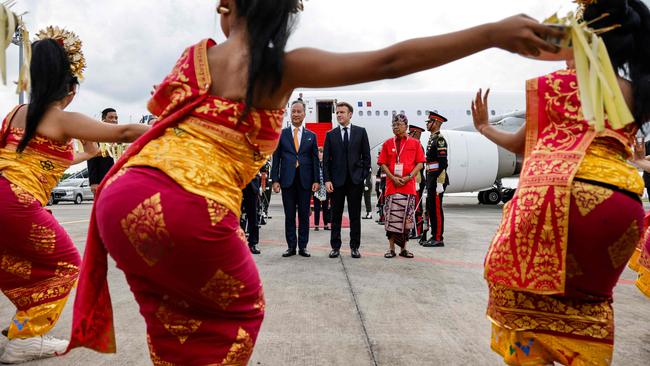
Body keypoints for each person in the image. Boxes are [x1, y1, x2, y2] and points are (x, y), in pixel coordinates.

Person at [66, 0, 562, 363]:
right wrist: (492, 32)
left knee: (173, 317)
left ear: (224, 9)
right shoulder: (276, 66)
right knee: (238, 315)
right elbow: (390, 61)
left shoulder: (196, 60)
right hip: (187, 202)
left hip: (122, 194)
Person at [473, 1, 650, 364]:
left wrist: (484, 127)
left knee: (516, 295)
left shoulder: (555, 85)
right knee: (591, 305)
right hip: (620, 202)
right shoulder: (636, 91)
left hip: (556, 194)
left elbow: (521, 143)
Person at [0, 28, 147, 364]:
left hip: (4, 197)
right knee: (66, 264)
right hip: (16, 203)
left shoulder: (14, 116)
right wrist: (174, 128)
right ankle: (26, 337)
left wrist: (89, 148)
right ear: (69, 85)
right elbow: (123, 132)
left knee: (26, 265)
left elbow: (69, 155)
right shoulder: (62, 118)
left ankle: (19, 330)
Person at [271, 99, 320, 258]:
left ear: (304, 114)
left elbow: (314, 161)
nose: (296, 114)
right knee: (289, 215)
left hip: (305, 181)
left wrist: (316, 181)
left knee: (304, 215)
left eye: (299, 111)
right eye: (294, 111)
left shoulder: (311, 136)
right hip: (287, 180)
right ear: (289, 114)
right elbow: (276, 159)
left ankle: (303, 246)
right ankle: (291, 246)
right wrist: (275, 180)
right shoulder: (282, 134)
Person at [323, 102, 371, 259]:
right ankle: (335, 247)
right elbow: (326, 162)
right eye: (337, 113)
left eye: (342, 112)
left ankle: (354, 247)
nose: (339, 115)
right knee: (335, 216)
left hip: (355, 182)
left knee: (355, 216)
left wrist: (361, 176)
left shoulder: (361, 132)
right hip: (336, 182)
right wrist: (327, 180)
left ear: (350, 114)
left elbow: (367, 158)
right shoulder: (331, 135)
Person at [378, 114, 425, 258]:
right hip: (392, 187)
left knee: (407, 220)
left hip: (408, 186)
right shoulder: (387, 144)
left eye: (398, 125)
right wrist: (392, 177)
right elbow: (383, 164)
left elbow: (420, 163)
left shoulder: (415, 143)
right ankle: (391, 248)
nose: (395, 127)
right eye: (393, 125)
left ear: (406, 126)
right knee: (391, 220)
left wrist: (409, 177)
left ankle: (404, 248)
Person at [422, 111, 449, 248]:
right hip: (431, 178)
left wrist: (438, 182)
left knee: (437, 209)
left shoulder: (439, 140)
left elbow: (443, 163)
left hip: (437, 179)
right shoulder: (432, 139)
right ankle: (434, 235)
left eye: (430, 121)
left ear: (436, 123)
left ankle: (438, 237)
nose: (427, 124)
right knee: (432, 208)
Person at [87, 108, 117, 194]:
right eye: (111, 117)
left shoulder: (120, 137)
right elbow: (91, 159)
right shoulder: (97, 137)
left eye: (116, 118)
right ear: (103, 120)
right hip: (102, 181)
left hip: (118, 179)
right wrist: (93, 182)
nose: (114, 120)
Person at [408, 123, 427, 240]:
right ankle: (414, 229)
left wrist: (417, 181)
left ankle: (418, 231)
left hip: (417, 180)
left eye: (411, 134)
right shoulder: (413, 145)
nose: (409, 136)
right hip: (413, 179)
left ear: (415, 134)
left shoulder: (418, 146)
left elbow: (419, 165)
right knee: (412, 207)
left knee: (417, 208)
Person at [242, 175, 261, 254]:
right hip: (235, 181)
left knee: (253, 216)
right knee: (234, 216)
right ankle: (236, 243)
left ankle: (253, 243)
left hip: (252, 183)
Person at [313, 147, 330, 231]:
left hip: (325, 187)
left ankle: (326, 224)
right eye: (319, 153)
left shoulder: (326, 164)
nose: (320, 154)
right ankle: (316, 225)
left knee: (325, 207)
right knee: (316, 207)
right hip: (317, 187)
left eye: (322, 153)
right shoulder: (315, 164)